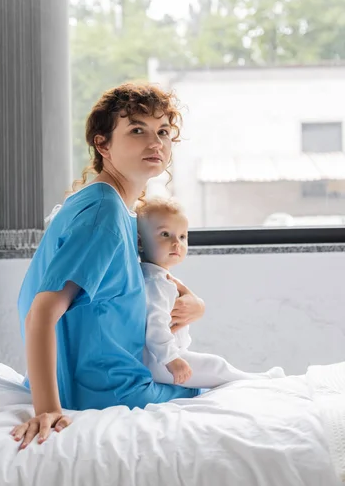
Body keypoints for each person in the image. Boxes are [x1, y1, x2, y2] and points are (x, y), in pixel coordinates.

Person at [11, 84, 205, 450]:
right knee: (220, 390)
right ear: (103, 145)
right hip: (108, 392)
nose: (155, 142)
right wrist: (48, 410)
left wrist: (195, 303)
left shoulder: (111, 207)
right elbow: (41, 312)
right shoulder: (103, 212)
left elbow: (149, 278)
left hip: (108, 380)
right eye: (137, 130)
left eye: (162, 131)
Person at [136, 197, 286, 388]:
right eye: (165, 234)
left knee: (216, 369)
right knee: (216, 366)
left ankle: (262, 379)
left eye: (182, 236)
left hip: (166, 357)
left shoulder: (159, 278)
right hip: (162, 362)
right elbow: (155, 327)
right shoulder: (155, 283)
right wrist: (172, 359)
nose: (177, 243)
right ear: (140, 243)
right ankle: (263, 382)